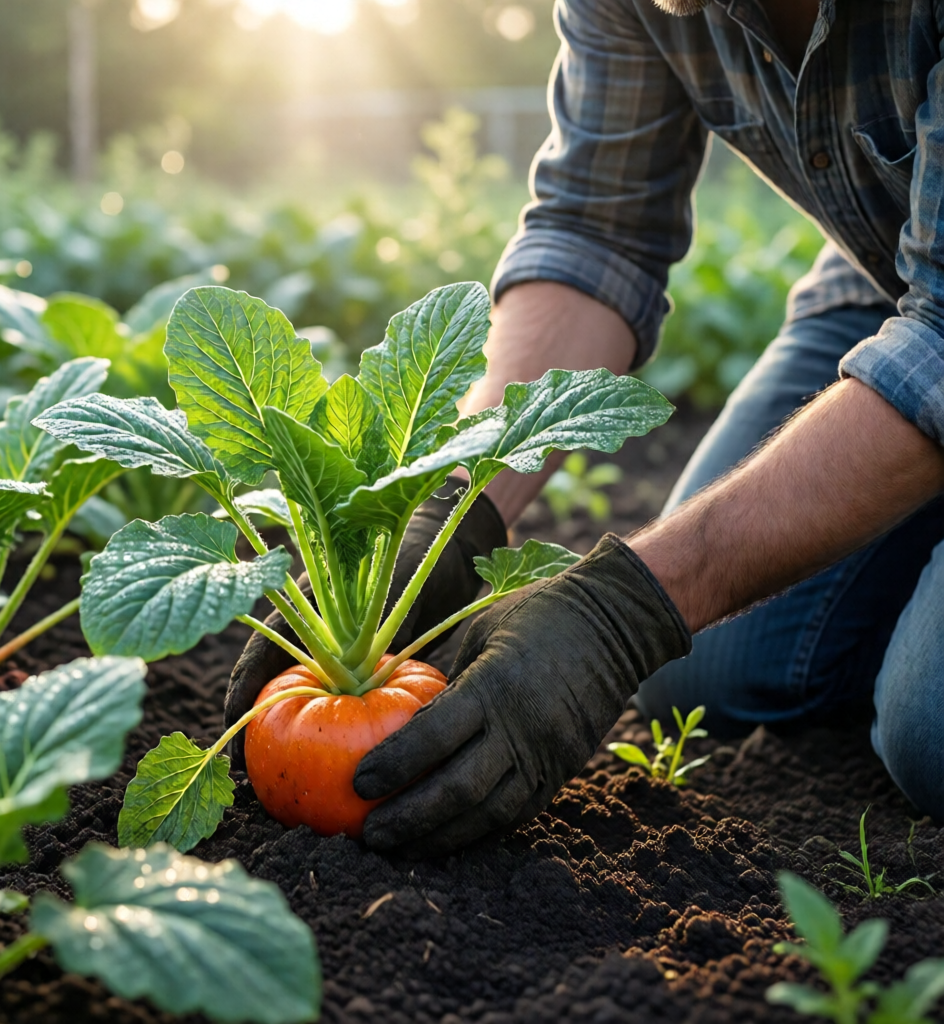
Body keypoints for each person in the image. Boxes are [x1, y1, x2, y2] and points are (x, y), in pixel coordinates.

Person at [226, 0, 944, 855]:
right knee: (707, 672)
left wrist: (624, 611)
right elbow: (596, 232)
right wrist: (453, 503)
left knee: (928, 729)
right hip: (893, 267)